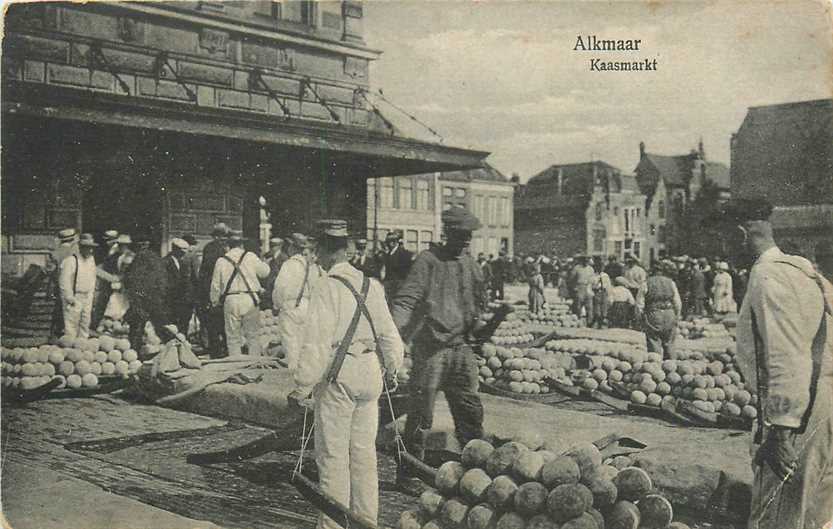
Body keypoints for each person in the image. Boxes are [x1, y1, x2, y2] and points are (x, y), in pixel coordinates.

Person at [288, 219, 404, 529]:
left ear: (326, 251)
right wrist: (393, 369)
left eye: (318, 252)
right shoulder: (371, 284)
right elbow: (390, 336)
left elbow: (316, 344)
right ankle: (367, 521)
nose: (316, 259)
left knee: (333, 458)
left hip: (340, 376)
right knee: (364, 455)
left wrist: (301, 387)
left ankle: (333, 526)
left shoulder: (326, 286)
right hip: (370, 375)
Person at [726, 198, 833, 529]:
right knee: (817, 517)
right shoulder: (807, 273)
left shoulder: (767, 276)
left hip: (799, 416)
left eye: (725, 239)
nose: (725, 249)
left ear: (740, 233)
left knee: (777, 519)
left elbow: (785, 353)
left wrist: (781, 430)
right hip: (824, 407)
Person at [392, 206, 489, 480]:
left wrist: (483, 322)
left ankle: (475, 472)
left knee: (470, 412)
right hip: (432, 352)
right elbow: (406, 300)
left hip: (462, 351)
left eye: (469, 236)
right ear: (447, 233)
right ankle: (408, 472)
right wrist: (392, 337)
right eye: (460, 235)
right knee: (421, 416)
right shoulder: (427, 261)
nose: (466, 241)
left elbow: (478, 304)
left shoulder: (472, 265)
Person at [209, 231, 269, 356]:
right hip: (250, 298)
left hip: (231, 299)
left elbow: (215, 285)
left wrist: (215, 302)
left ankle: (236, 365)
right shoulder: (250, 256)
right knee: (253, 336)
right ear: (242, 244)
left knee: (233, 337)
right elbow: (265, 272)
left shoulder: (221, 260)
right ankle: (254, 364)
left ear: (228, 245)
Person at [273, 233, 320, 368]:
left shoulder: (289, 265)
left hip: (290, 307)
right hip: (307, 306)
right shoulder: (312, 266)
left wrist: (277, 305)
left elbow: (279, 288)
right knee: (305, 346)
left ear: (292, 247)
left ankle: (292, 376)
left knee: (291, 346)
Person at [123, 236, 170, 349]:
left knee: (136, 327)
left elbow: (132, 280)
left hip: (142, 298)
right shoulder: (157, 258)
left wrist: (135, 299)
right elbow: (163, 280)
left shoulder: (138, 259)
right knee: (161, 327)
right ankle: (172, 351)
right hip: (156, 299)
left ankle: (136, 353)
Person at [197, 223, 229, 357]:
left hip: (213, 291)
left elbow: (203, 272)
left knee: (215, 323)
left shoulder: (210, 248)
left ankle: (217, 350)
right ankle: (221, 350)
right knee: (219, 323)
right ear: (217, 236)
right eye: (222, 236)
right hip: (216, 291)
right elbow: (207, 272)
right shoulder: (217, 249)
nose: (224, 239)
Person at [58, 233, 98, 338]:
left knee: (85, 324)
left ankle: (82, 348)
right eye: (87, 248)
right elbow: (64, 281)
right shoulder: (71, 260)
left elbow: (92, 278)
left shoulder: (91, 260)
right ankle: (70, 349)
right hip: (75, 296)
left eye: (91, 248)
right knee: (71, 326)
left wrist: (91, 295)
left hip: (87, 296)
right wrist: (69, 297)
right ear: (81, 247)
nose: (90, 250)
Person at [643, 262, 682, 359]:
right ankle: (671, 366)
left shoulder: (646, 283)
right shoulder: (671, 282)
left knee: (654, 340)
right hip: (669, 312)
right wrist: (677, 315)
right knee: (669, 342)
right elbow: (677, 302)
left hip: (653, 313)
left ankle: (655, 366)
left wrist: (640, 317)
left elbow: (639, 303)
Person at [48, 229, 79, 339]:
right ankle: (68, 333)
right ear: (72, 240)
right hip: (74, 285)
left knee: (58, 308)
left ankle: (55, 333)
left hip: (58, 285)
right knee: (71, 310)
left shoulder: (54, 254)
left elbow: (50, 272)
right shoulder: (75, 253)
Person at [164, 238, 193, 335]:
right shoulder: (165, 262)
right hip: (171, 301)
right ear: (175, 250)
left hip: (183, 302)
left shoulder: (183, 263)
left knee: (183, 328)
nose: (184, 254)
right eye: (182, 251)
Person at [380, 230, 413, 301]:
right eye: (387, 242)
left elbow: (405, 272)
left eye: (390, 241)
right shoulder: (388, 254)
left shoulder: (404, 253)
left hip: (398, 286)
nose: (388, 244)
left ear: (395, 242)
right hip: (388, 286)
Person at [262, 237, 287, 310]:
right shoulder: (267, 256)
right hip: (268, 288)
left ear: (280, 246)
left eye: (275, 246)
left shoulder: (284, 258)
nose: (272, 248)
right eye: (271, 245)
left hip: (276, 288)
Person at [569, 255, 595, 321]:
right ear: (582, 260)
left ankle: (589, 321)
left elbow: (593, 279)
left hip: (588, 287)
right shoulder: (577, 268)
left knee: (589, 305)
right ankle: (579, 320)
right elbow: (571, 278)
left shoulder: (591, 269)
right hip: (579, 286)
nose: (586, 262)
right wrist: (574, 287)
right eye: (585, 260)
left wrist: (591, 286)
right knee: (578, 304)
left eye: (587, 260)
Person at [590, 260, 611, 328]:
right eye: (598, 267)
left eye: (601, 267)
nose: (600, 268)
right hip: (597, 292)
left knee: (604, 307)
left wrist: (609, 293)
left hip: (604, 292)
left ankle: (602, 321)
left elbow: (608, 285)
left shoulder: (605, 275)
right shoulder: (593, 276)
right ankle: (597, 321)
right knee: (597, 307)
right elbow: (591, 285)